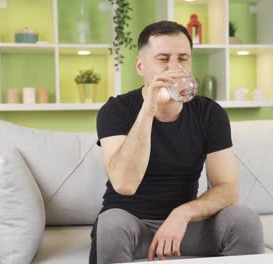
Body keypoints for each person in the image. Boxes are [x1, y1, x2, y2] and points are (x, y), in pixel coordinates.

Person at [90, 20, 264, 264]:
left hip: (183, 228)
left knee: (244, 220)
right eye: (163, 59)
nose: (175, 67)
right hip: (131, 226)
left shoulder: (210, 113)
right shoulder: (116, 111)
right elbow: (124, 184)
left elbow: (227, 189)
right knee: (110, 223)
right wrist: (148, 111)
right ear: (141, 65)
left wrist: (183, 214)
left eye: (183, 58)